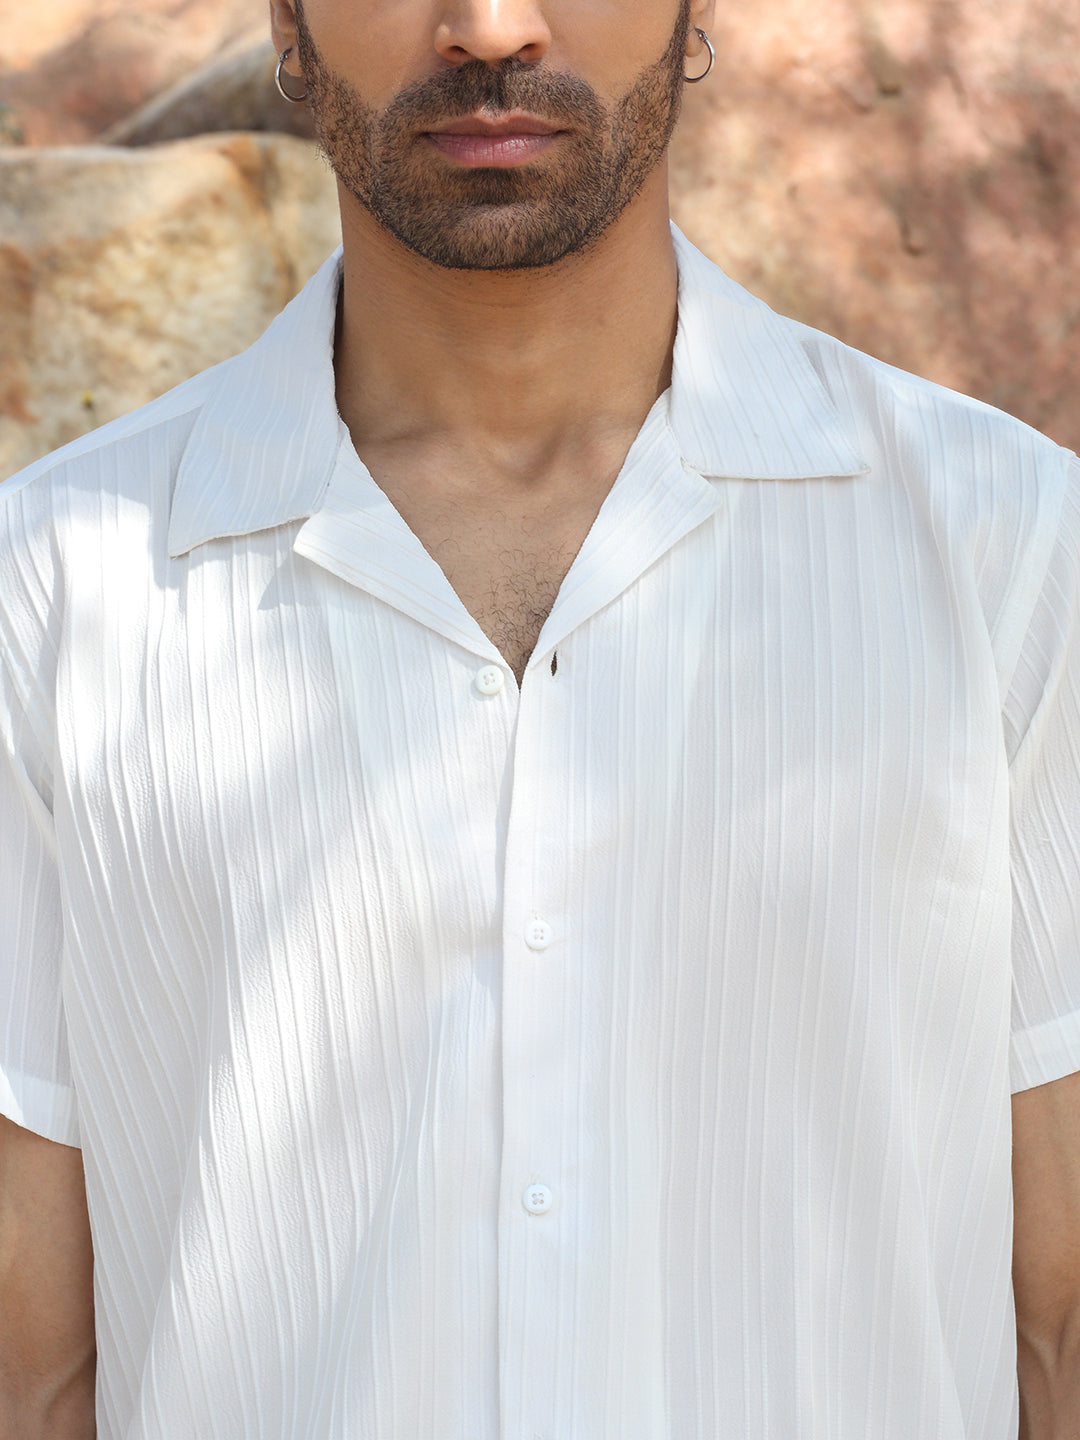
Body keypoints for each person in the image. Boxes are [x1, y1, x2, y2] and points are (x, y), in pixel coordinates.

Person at [1, 0, 1078, 1436]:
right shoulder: (50, 586)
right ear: (286, 20)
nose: (491, 27)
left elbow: (1058, 1326)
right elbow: (33, 1370)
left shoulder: (1011, 549)